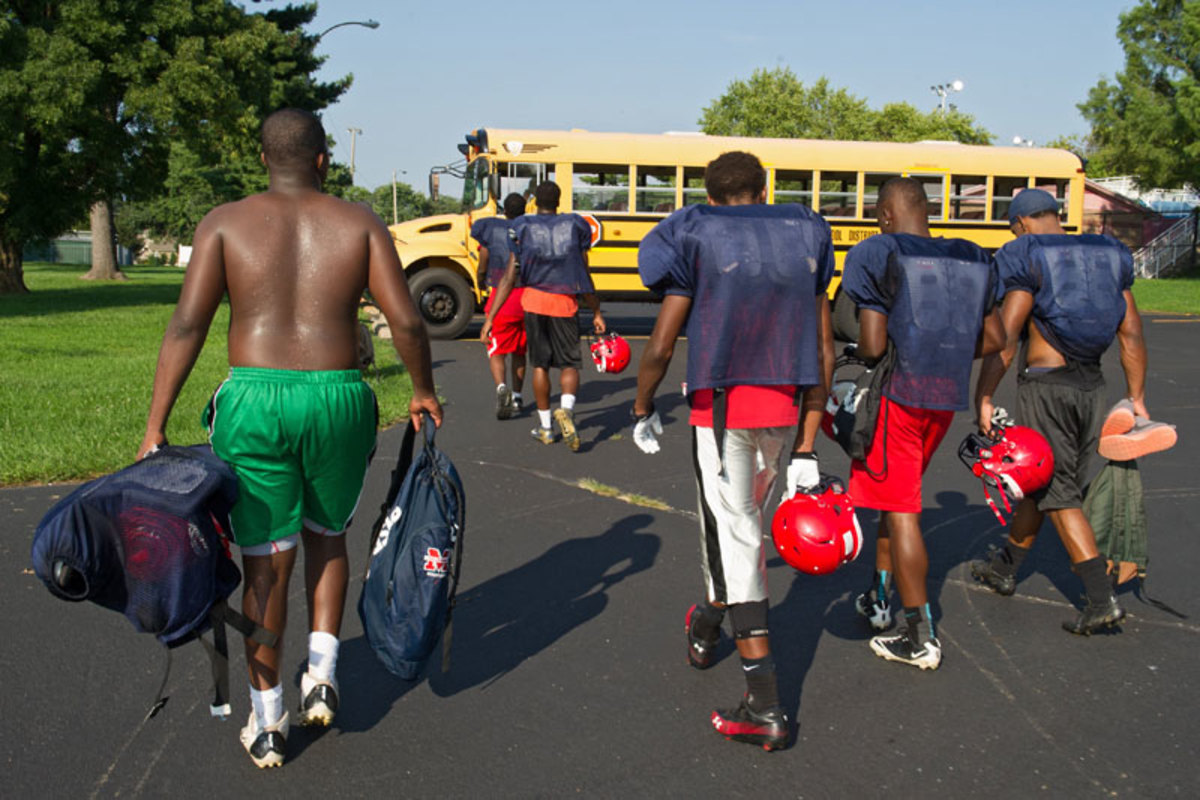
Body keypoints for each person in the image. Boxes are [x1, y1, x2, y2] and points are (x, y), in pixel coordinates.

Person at [137, 109, 442, 769]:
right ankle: (323, 673)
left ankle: (269, 718)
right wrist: (421, 388)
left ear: (263, 158)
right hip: (339, 397)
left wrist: (156, 424)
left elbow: (187, 325)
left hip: (254, 399)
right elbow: (406, 321)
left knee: (265, 562)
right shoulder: (360, 222)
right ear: (323, 160)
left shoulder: (224, 223)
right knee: (328, 535)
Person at [632, 151, 834, 751]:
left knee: (738, 539)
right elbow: (824, 346)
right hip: (785, 406)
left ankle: (764, 703)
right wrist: (808, 440)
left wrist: (642, 405)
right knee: (738, 531)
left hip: (721, 411)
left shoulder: (697, 233)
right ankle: (708, 622)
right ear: (763, 190)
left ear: (710, 198)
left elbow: (662, 342)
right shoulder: (803, 233)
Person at [840, 177, 1004, 670]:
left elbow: (873, 345)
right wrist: (942, 350)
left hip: (900, 395)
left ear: (885, 214)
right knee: (897, 497)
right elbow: (995, 337)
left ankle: (920, 635)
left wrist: (886, 349)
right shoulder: (972, 255)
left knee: (901, 509)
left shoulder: (877, 253)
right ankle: (879, 595)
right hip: (943, 398)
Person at [972, 187, 1147, 635]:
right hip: (1092, 386)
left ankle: (1100, 599)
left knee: (1058, 492)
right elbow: (1130, 333)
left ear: (1020, 224)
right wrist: (1136, 397)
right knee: (1043, 480)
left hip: (1048, 387)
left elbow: (1007, 336)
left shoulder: (1028, 255)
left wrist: (984, 396)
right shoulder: (1106, 255)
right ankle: (1005, 568)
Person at [481, 181, 604, 451]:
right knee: (569, 365)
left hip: (534, 302)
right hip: (565, 302)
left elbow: (509, 277)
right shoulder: (574, 225)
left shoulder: (522, 227)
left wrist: (490, 318)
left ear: (535, 202)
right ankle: (567, 410)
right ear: (559, 201)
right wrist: (596, 310)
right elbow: (584, 273)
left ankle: (546, 428)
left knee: (540, 366)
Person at [471, 193, 527, 419]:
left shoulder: (491, 230)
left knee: (497, 351)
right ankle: (518, 396)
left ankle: (501, 387)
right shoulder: (529, 231)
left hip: (502, 297)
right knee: (520, 352)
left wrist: (480, 281)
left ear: (505, 211)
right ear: (525, 211)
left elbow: (483, 262)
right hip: (527, 297)